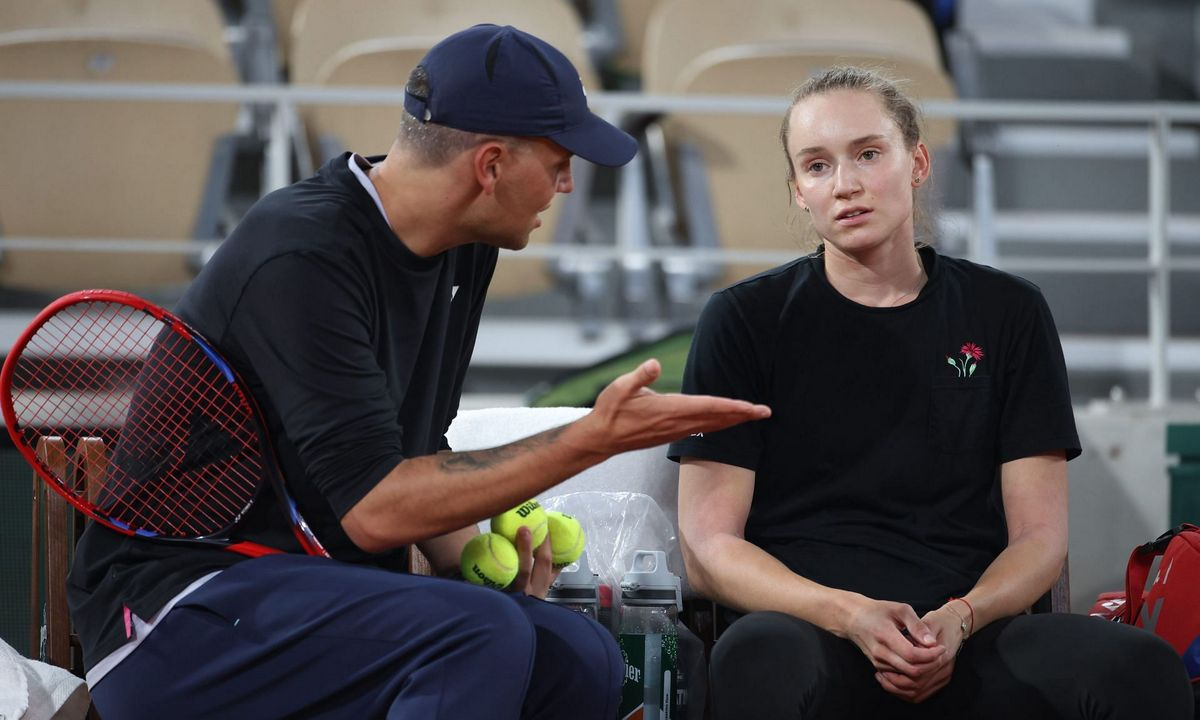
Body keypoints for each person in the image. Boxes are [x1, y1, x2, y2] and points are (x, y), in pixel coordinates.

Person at [67, 24, 770, 720]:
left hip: (309, 598)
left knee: (578, 652)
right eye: (560, 161)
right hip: (173, 615)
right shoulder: (301, 255)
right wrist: (592, 438)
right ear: (490, 167)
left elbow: (418, 452)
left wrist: (478, 565)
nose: (567, 184)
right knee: (483, 634)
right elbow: (377, 509)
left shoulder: (466, 245)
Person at [667, 66, 1194, 719]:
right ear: (799, 192)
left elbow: (1039, 537)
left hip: (973, 634)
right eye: (818, 166)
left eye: (868, 154)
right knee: (757, 658)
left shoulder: (1008, 312)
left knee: (1142, 669)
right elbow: (709, 550)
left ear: (916, 162)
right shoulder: (743, 320)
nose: (846, 183)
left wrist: (961, 618)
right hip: (812, 631)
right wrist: (848, 614)